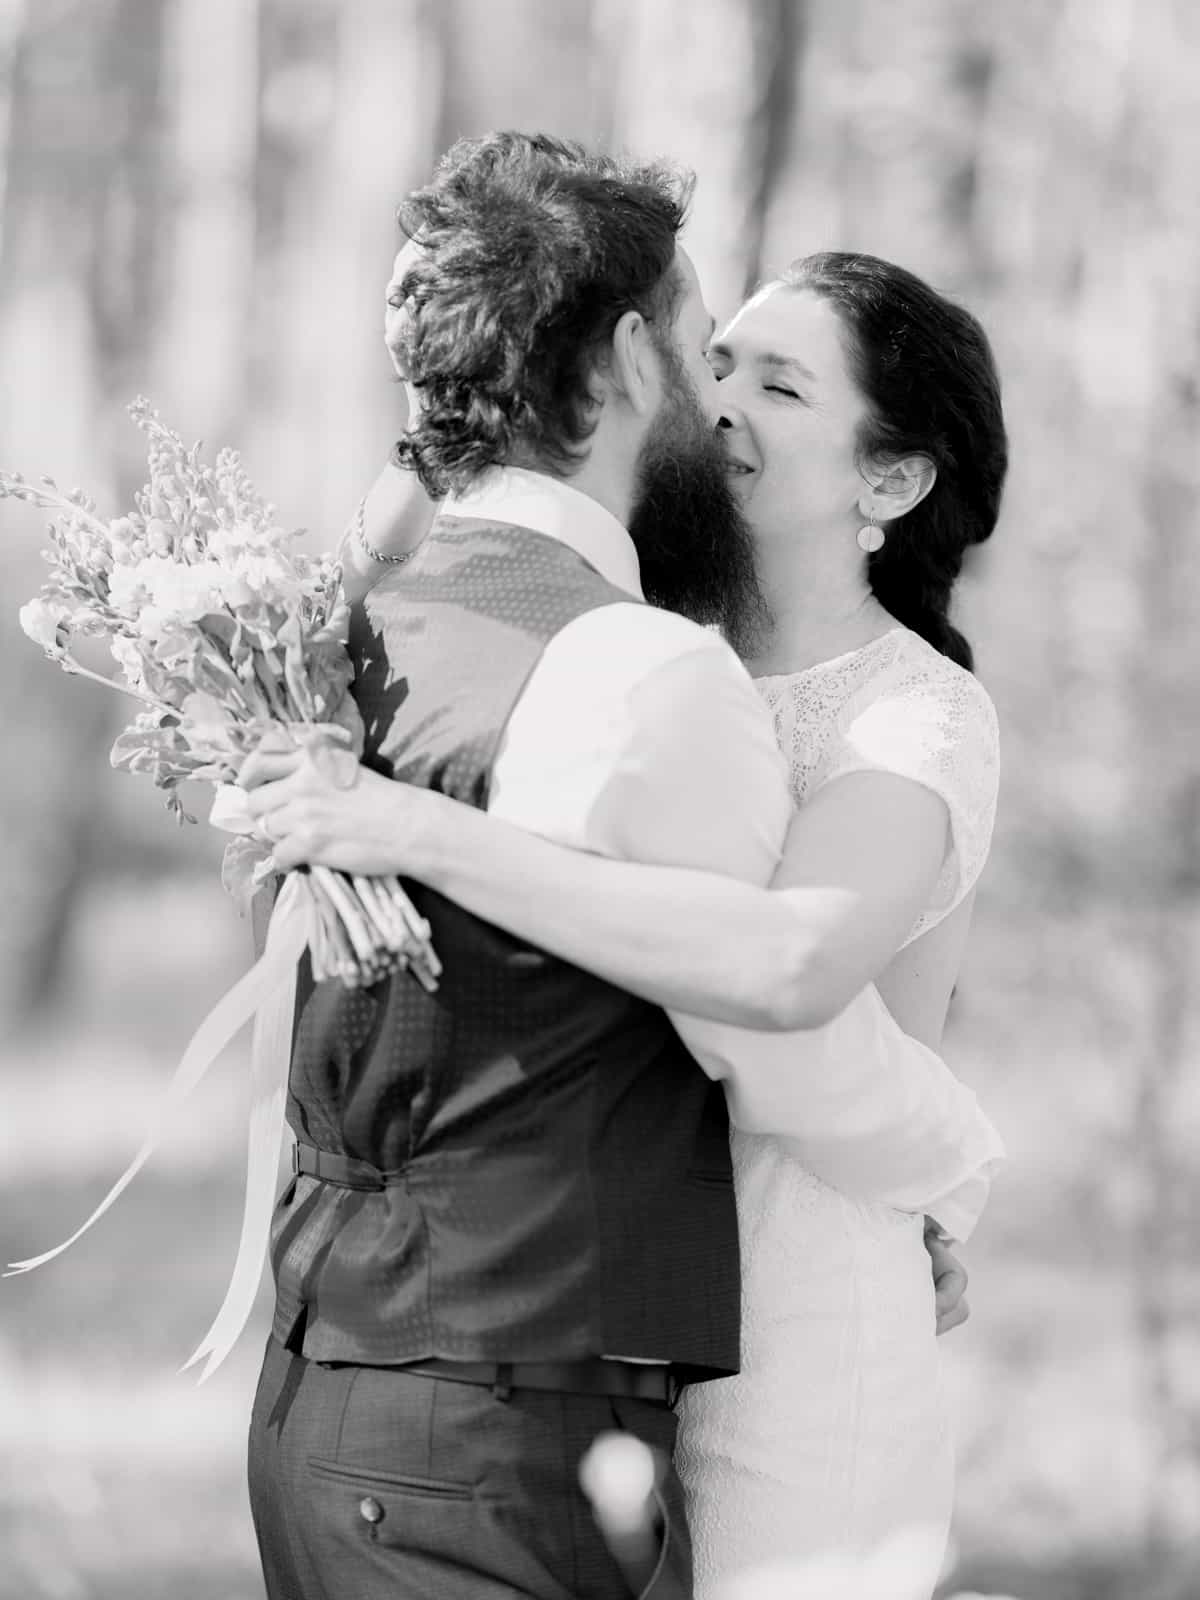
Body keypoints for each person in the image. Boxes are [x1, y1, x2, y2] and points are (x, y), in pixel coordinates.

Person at [240, 132, 1004, 1600]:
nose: (720, 400)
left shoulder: (907, 713)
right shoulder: (647, 656)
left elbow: (790, 981)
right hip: (612, 1300)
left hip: (793, 1298)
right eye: (718, 358)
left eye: (777, 384)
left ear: (892, 480)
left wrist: (937, 1187)